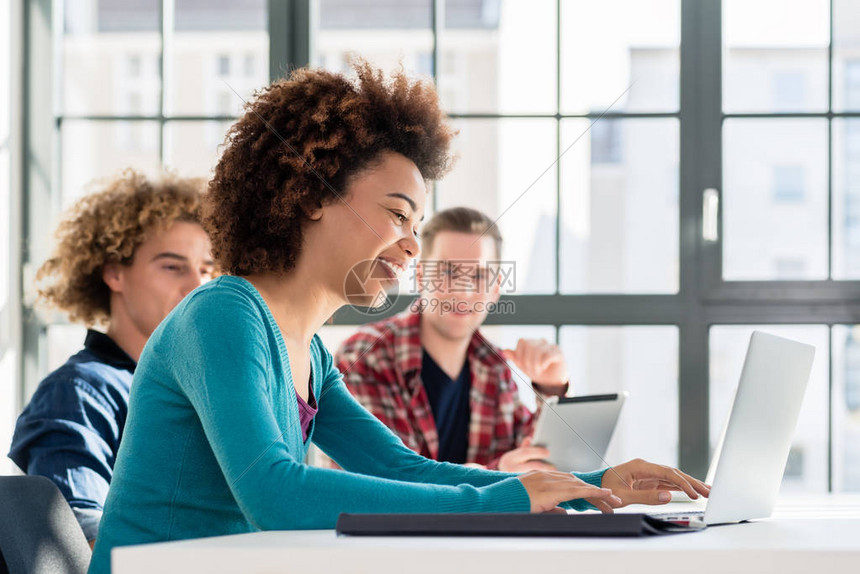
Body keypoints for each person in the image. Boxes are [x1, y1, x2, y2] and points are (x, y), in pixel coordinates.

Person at [88, 64, 708, 574]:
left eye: (417, 225)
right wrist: (506, 501)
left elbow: (401, 467)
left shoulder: (311, 354)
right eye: (396, 214)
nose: (412, 246)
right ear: (309, 198)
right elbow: (274, 493)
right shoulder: (223, 314)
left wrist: (590, 485)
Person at [8, 170, 214, 545]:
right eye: (172, 266)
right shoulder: (80, 392)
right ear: (115, 273)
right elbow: (76, 540)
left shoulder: (197, 390)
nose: (197, 286)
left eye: (206, 269)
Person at [334, 206, 569, 471]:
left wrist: (551, 388)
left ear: (495, 289)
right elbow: (390, 483)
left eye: (479, 276)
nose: (463, 291)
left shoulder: (493, 366)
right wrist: (499, 475)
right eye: (448, 273)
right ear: (421, 277)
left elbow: (538, 458)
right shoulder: (366, 355)